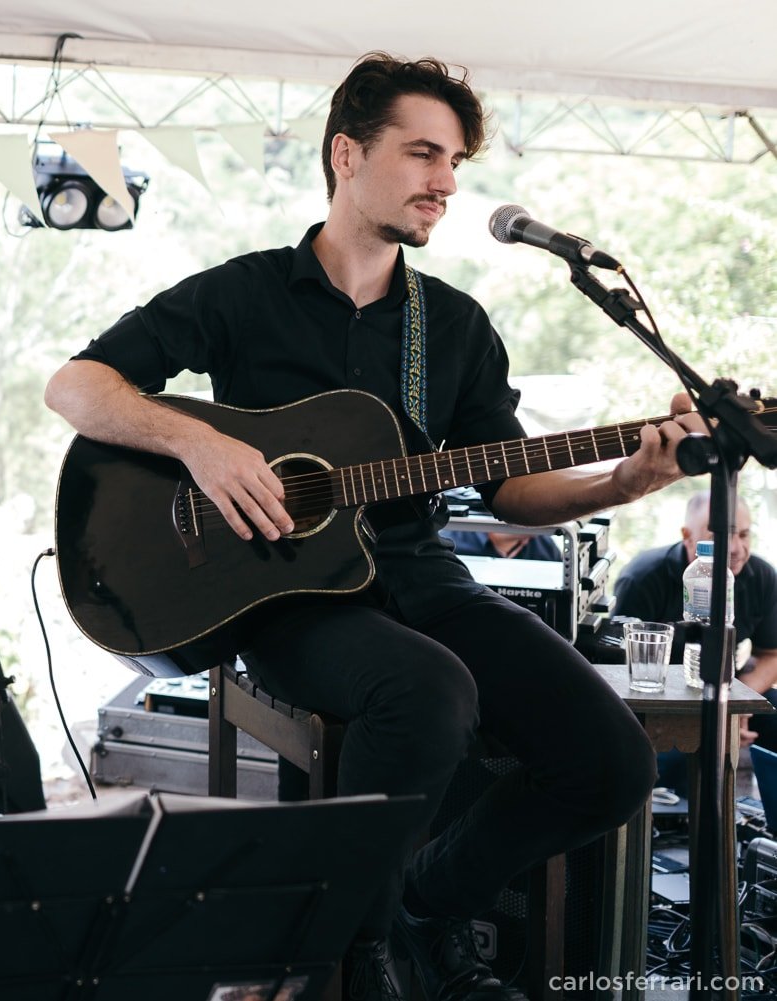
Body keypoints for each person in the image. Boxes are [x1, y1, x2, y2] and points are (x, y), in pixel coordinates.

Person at [45, 52, 702, 1001]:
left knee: (614, 760)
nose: (445, 181)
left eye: (456, 163)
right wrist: (201, 447)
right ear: (346, 154)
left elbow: (509, 488)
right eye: (424, 154)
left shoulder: (456, 326)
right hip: (286, 597)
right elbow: (77, 385)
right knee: (428, 689)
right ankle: (343, 956)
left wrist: (629, 481)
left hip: (418, 576)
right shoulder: (244, 293)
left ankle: (411, 907)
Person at [614, 492, 777, 758]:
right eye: (720, 537)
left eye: (744, 534)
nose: (735, 548)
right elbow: (617, 665)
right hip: (656, 702)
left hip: (724, 687)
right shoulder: (643, 577)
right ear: (688, 536)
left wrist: (738, 705)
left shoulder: (761, 576)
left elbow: (771, 655)